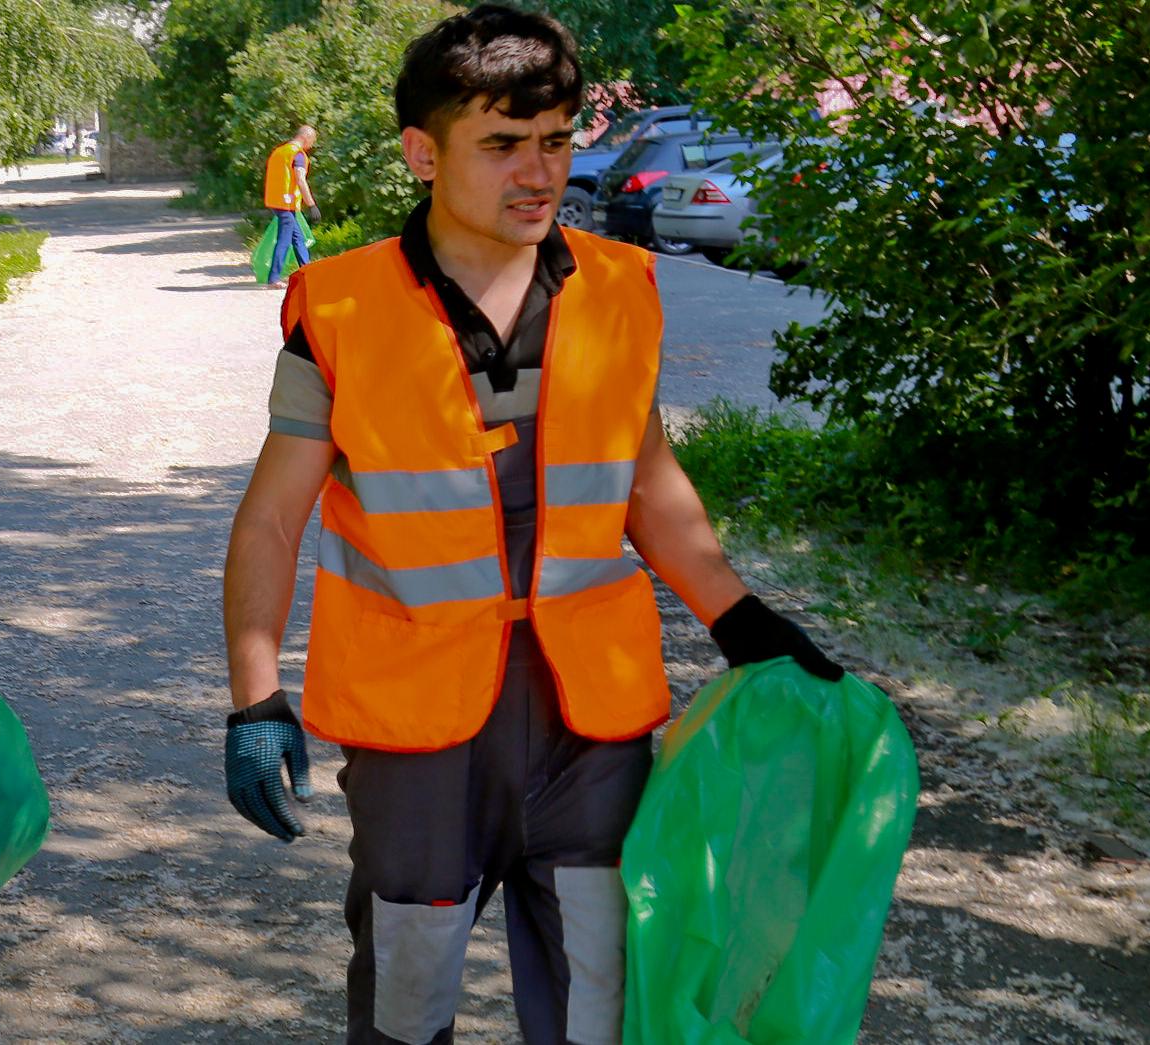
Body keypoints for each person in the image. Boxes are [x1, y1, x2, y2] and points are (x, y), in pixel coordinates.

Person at [216, 8, 844, 1043]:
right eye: (501, 145)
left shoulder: (621, 290)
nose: (537, 172)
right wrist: (253, 699)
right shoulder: (341, 310)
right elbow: (273, 519)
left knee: (602, 1004)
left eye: (555, 141)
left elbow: (648, 484)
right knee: (407, 1006)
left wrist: (741, 618)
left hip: (588, 719)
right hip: (416, 726)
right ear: (424, 153)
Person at [263, 123, 320, 286]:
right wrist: (311, 205)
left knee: (298, 238)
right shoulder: (298, 155)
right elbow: (301, 180)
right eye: (312, 141)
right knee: (285, 240)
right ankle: (273, 278)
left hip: (275, 201)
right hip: (286, 203)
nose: (311, 146)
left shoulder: (280, 151)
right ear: (306, 137)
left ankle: (307, 273)